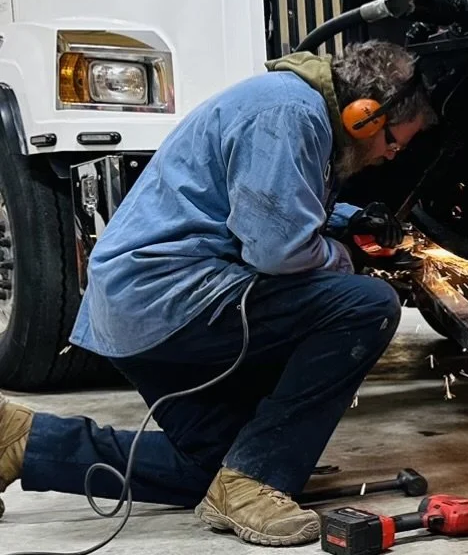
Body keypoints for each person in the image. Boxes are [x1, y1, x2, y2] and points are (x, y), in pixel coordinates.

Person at [0, 40, 437, 546]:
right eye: (393, 141)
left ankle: (21, 441)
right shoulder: (290, 114)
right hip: (171, 298)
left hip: (139, 307)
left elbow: (269, 201)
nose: (391, 154)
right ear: (364, 115)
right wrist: (349, 259)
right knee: (366, 306)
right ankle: (256, 482)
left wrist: (351, 220)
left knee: (207, 471)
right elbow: (276, 251)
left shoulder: (295, 111)